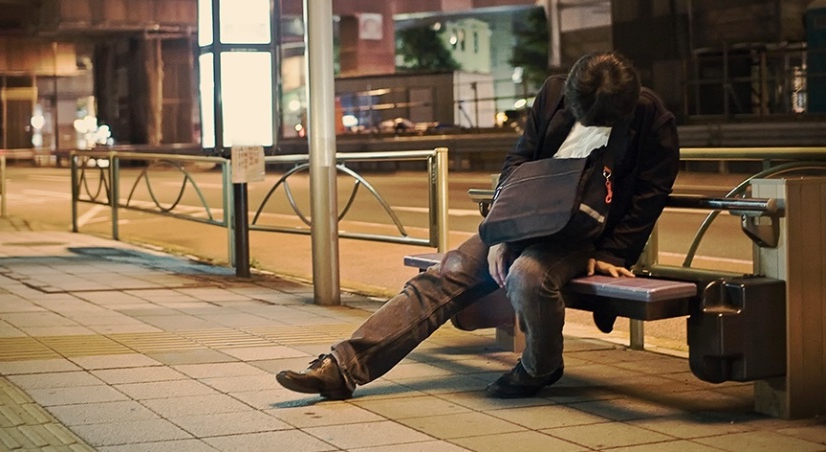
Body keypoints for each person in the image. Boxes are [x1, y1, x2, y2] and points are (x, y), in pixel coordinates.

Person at [276, 51, 680, 400]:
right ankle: (342, 368)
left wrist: (613, 253)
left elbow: (651, 193)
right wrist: (499, 232)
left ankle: (540, 367)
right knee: (446, 271)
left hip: (583, 236)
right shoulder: (554, 94)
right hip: (524, 220)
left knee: (528, 276)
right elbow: (516, 164)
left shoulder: (651, 119)